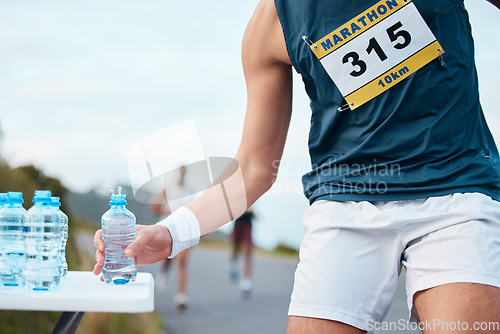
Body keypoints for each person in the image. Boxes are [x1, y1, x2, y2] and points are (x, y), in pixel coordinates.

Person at [94, 0, 500, 332]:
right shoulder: (272, 22)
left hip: (457, 189)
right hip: (346, 204)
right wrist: (171, 231)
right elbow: (254, 167)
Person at [150, 166, 193, 312]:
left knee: (182, 261)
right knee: (168, 257)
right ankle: (164, 272)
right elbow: (154, 207)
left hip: (185, 230)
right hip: (168, 228)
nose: (182, 173)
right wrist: (169, 211)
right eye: (180, 170)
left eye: (184, 170)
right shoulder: (167, 189)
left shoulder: (190, 192)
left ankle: (181, 297)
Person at [229, 210, 255, 298]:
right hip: (238, 220)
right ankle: (233, 265)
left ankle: (246, 282)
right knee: (235, 249)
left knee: (247, 252)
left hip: (248, 221)